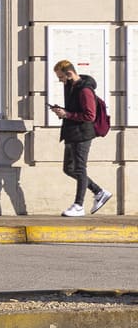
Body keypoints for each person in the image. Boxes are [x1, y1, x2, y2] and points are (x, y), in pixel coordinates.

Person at [48, 60, 111, 218]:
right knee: (68, 169)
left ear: (69, 74)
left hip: (82, 134)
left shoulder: (85, 90)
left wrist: (67, 114)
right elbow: (74, 109)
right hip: (71, 133)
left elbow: (90, 115)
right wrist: (62, 111)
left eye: (61, 77)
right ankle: (99, 191)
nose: (60, 80)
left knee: (80, 169)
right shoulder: (71, 86)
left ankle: (78, 205)